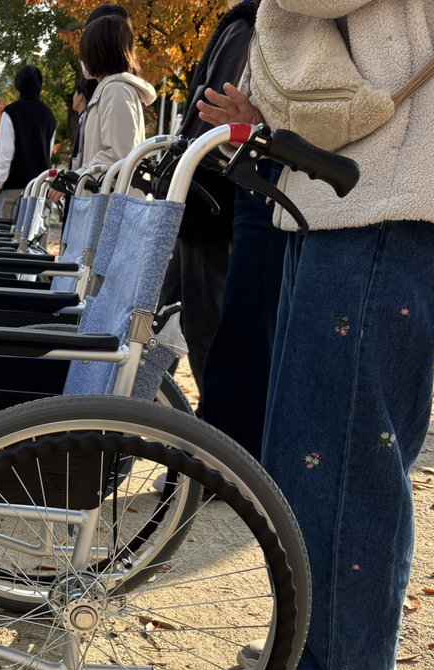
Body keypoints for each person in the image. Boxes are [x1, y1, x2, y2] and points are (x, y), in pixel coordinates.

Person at [198, 0, 434, 670]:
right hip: (373, 192)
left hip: (391, 197)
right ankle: (317, 654)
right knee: (323, 445)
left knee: (338, 450)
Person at [157, 0, 260, 397]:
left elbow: (215, 115)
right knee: (169, 318)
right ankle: (142, 412)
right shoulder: (244, 26)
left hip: (210, 199)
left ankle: (211, 436)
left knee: (196, 323)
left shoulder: (245, 27)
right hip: (207, 197)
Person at [75, 14, 155, 173]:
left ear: (96, 51)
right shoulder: (110, 89)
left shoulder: (116, 90)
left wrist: (76, 177)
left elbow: (118, 155)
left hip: (110, 196)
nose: (82, 59)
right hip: (102, 194)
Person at [0, 65, 57, 219]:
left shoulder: (11, 112)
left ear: (18, 86)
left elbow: (5, 154)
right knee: (36, 239)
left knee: (10, 240)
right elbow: (48, 153)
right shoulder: (49, 115)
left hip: (15, 191)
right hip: (40, 190)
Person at [68, 78, 98, 169]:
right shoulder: (84, 118)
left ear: (81, 96)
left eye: (75, 93)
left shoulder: (86, 119)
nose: (73, 97)